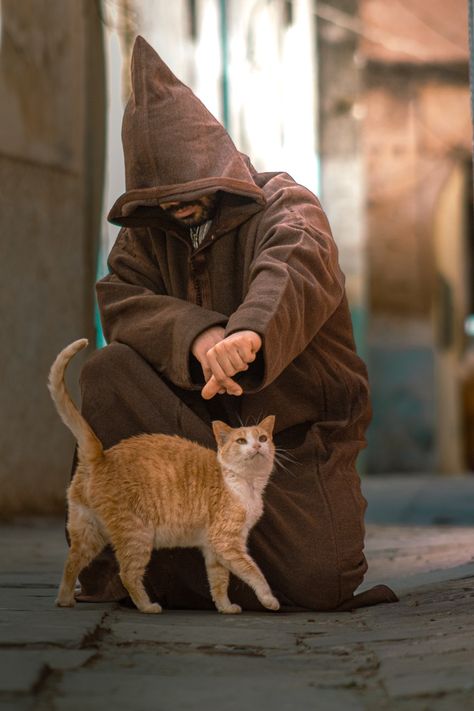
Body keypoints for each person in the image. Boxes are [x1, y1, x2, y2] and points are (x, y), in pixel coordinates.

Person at [75, 36, 397, 612]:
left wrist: (249, 333)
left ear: (218, 168)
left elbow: (293, 264)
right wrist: (199, 337)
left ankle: (190, 567)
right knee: (107, 373)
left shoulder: (287, 204)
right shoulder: (143, 239)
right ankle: (134, 555)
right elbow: (119, 297)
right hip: (197, 442)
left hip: (293, 447)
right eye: (162, 200)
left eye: (189, 193)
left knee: (319, 585)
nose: (177, 209)